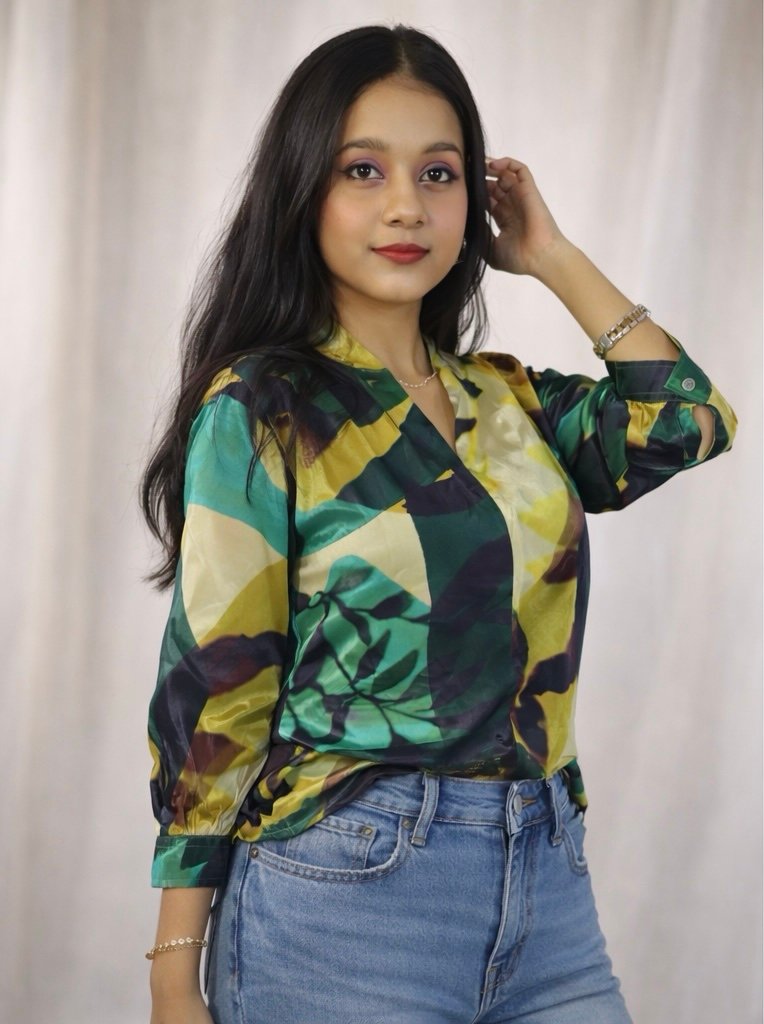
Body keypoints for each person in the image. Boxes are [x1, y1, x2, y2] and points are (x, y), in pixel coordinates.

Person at [141, 23, 736, 1024]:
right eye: (362, 170)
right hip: (344, 894)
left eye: (439, 173)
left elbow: (686, 421)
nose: (406, 206)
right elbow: (216, 684)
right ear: (303, 189)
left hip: (545, 888)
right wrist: (173, 972)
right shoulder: (264, 406)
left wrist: (550, 255)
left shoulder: (506, 403)